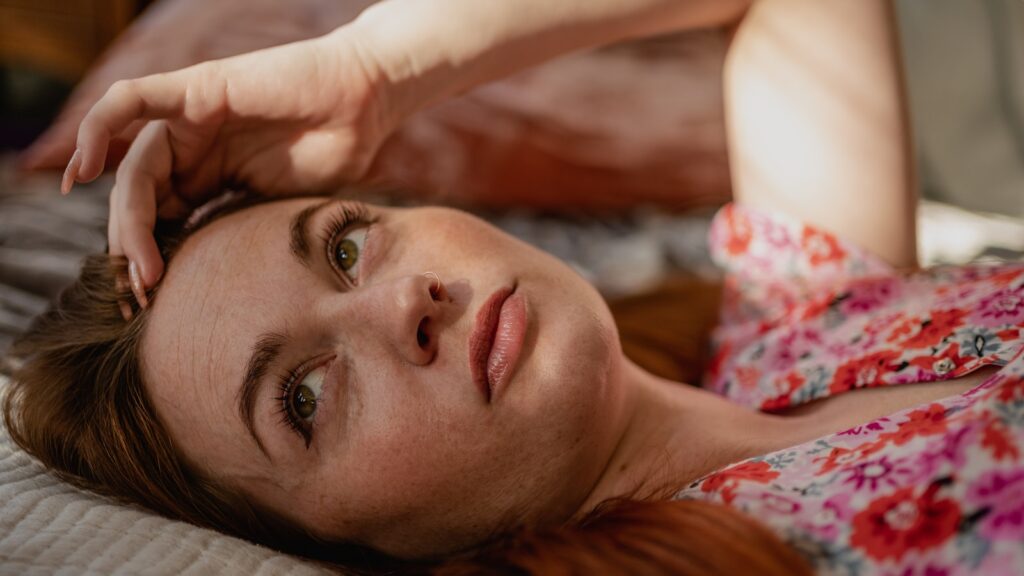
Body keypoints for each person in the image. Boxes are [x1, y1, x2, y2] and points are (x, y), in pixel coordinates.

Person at [4, 0, 1023, 574]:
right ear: (337, 548)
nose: (404, 305)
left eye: (347, 247)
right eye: (303, 397)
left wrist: (375, 69)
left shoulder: (794, 320)